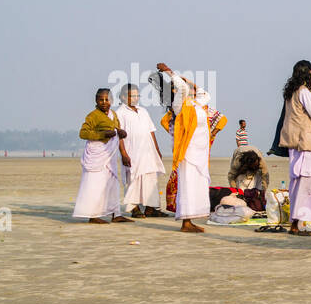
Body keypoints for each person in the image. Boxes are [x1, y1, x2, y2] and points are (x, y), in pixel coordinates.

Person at [155, 64, 225, 216]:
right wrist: (170, 72)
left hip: (200, 154)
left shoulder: (195, 104)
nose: (189, 89)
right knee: (188, 186)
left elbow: (205, 94)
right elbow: (183, 89)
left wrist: (188, 80)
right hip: (188, 154)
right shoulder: (179, 105)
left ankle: (192, 218)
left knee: (198, 185)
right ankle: (186, 220)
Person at [278, 60, 311, 236]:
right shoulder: (305, 92)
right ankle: (298, 224)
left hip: (296, 144)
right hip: (306, 144)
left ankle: (298, 222)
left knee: (297, 184)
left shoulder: (291, 93)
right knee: (306, 185)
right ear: (308, 74)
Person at [72, 88, 131, 224]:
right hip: (96, 155)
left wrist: (121, 134)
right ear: (96, 101)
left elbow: (116, 131)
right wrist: (102, 135)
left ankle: (115, 214)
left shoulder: (114, 114)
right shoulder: (92, 116)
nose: (104, 102)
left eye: (107, 99)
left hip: (110, 156)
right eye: (101, 100)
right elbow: (83, 133)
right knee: (95, 184)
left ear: (111, 100)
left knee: (112, 183)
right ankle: (93, 216)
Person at [115, 82, 166, 218]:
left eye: (138, 95)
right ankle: (135, 208)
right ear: (123, 97)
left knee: (150, 180)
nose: (136, 98)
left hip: (148, 152)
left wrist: (157, 149)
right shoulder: (120, 113)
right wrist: (124, 153)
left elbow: (151, 131)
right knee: (133, 179)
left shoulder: (143, 111)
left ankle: (151, 208)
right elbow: (118, 135)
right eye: (132, 96)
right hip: (132, 152)